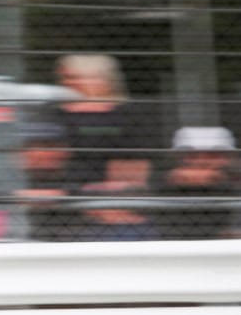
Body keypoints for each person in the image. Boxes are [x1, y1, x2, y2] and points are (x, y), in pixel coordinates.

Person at [49, 54, 159, 240]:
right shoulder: (52, 115)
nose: (68, 83)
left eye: (76, 77)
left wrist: (108, 202)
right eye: (65, 78)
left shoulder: (126, 116)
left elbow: (131, 172)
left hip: (108, 208)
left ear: (104, 80)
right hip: (58, 201)